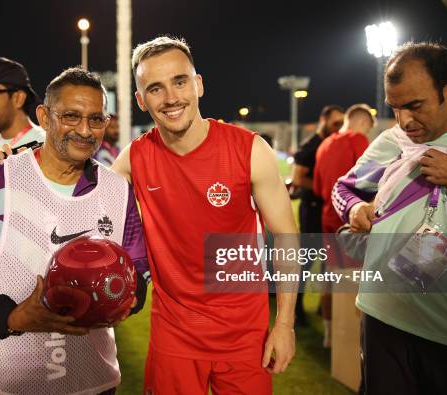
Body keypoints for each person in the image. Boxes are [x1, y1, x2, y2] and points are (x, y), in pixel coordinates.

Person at [0, 67, 150, 394]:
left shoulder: (117, 190)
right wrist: (12, 317)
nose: (85, 131)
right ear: (44, 117)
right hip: (8, 385)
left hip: (93, 382)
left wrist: (121, 299)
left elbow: (138, 271)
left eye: (96, 119)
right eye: (71, 117)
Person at [111, 36, 297, 394]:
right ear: (140, 100)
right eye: (155, 88)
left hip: (246, 336)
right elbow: (78, 195)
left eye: (179, 81)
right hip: (174, 336)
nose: (170, 98)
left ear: (198, 84)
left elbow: (287, 238)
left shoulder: (250, 150)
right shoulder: (135, 159)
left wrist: (285, 324)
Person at [333, 42, 447, 395]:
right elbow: (344, 188)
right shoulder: (396, 140)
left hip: (446, 329)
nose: (404, 120)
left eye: (415, 106)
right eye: (395, 107)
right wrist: (355, 209)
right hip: (382, 315)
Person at [312, 103, 375, 347]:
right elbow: (371, 184)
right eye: (368, 129)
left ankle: (329, 334)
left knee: (331, 278)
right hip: (351, 223)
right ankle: (349, 343)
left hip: (328, 217)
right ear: (361, 123)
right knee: (355, 283)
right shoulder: (358, 140)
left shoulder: (325, 144)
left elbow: (318, 188)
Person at [291, 104, 344, 325]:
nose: (338, 127)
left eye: (342, 123)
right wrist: (326, 188)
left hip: (327, 210)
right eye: (335, 123)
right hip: (312, 210)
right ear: (323, 120)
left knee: (328, 263)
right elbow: (297, 179)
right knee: (307, 261)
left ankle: (325, 309)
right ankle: (295, 309)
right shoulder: (310, 146)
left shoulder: (334, 144)